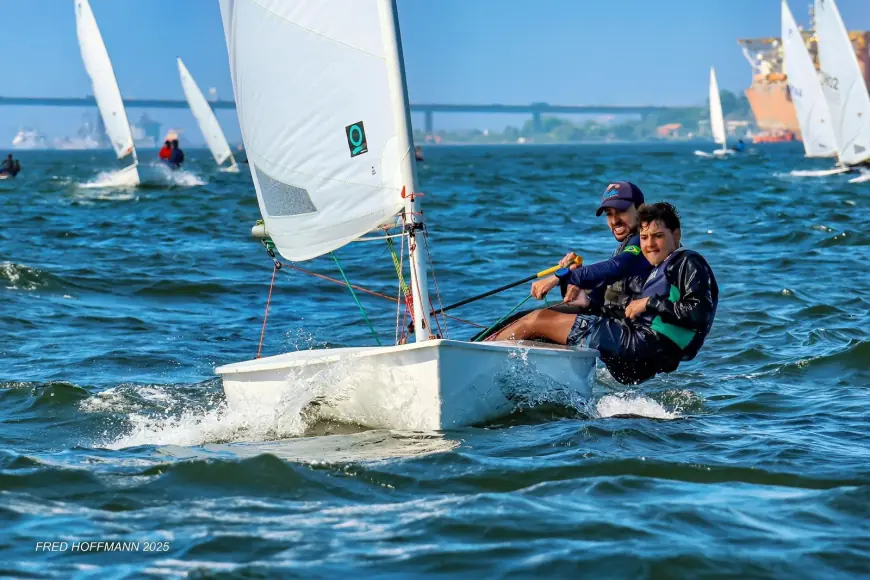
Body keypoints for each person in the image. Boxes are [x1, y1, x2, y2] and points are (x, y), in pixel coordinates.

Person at [490, 202, 718, 385]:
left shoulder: (687, 261)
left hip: (643, 347)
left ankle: (482, 360)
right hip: (638, 358)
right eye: (645, 237)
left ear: (676, 236)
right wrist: (587, 303)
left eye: (658, 236)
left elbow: (698, 313)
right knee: (545, 332)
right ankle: (519, 382)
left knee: (537, 320)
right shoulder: (658, 271)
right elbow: (624, 316)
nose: (649, 244)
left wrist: (649, 303)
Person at [530, 181, 652, 314]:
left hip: (633, 330)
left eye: (621, 211)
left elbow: (617, 266)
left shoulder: (646, 243)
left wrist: (559, 277)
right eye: (609, 214)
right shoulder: (624, 248)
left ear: (641, 210)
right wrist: (571, 276)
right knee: (529, 317)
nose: (614, 220)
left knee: (534, 319)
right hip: (613, 321)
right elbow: (592, 301)